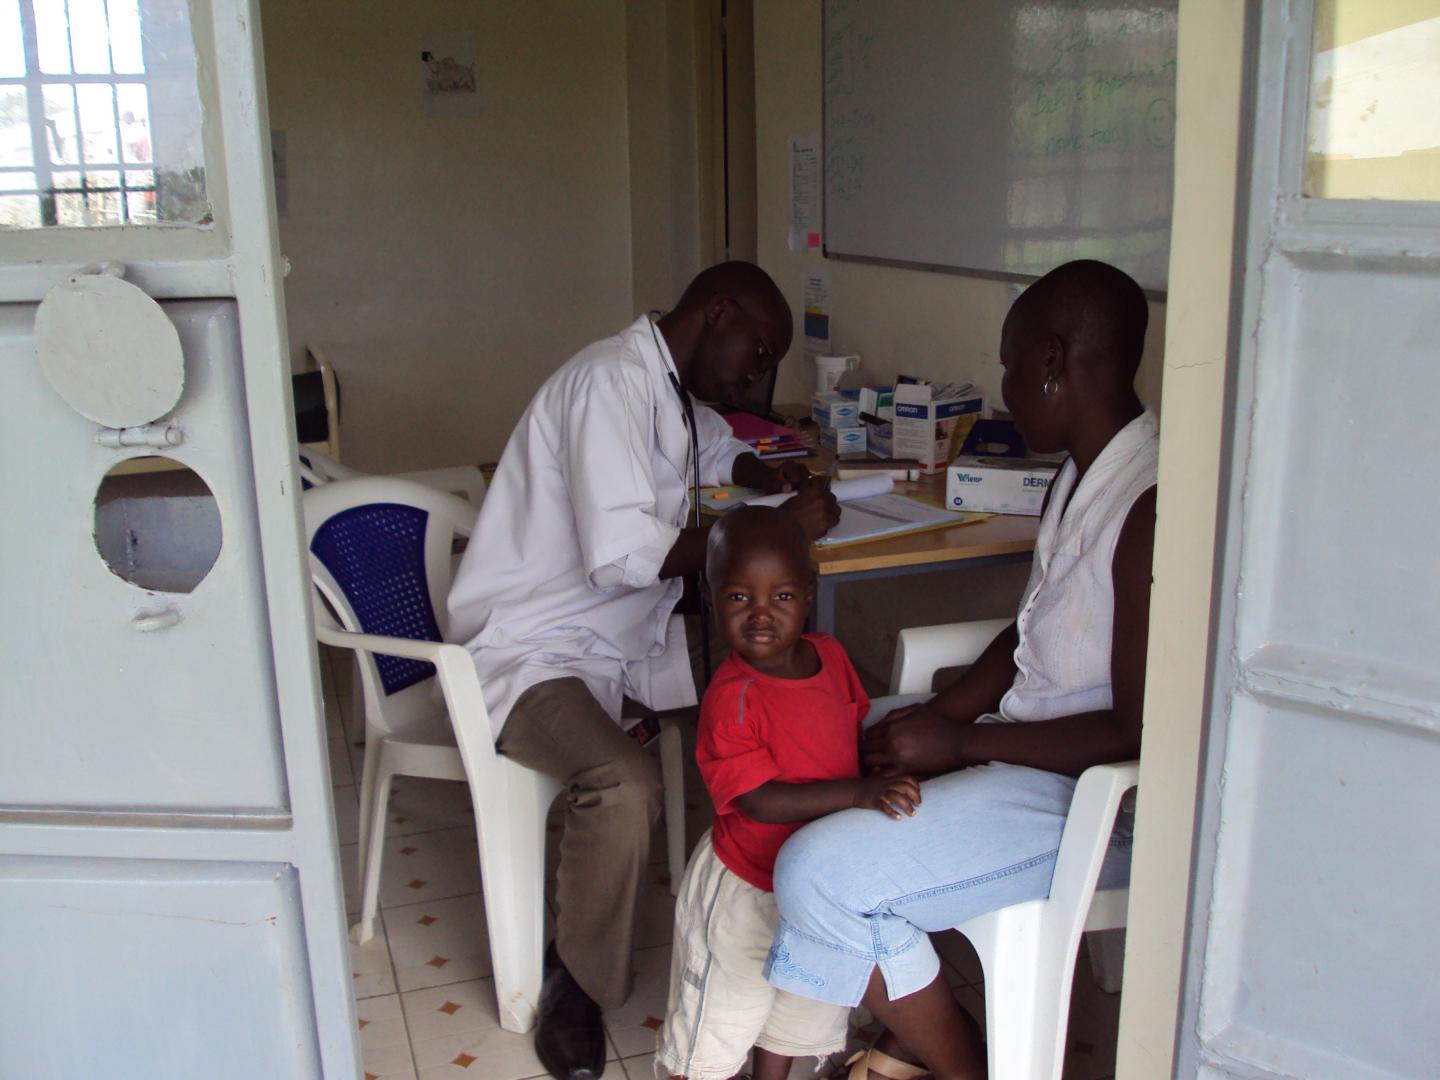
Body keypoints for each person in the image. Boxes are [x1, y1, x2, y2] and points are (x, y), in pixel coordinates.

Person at [763, 259, 1159, 1080]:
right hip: (1027, 751)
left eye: (1012, 363)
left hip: (1096, 804)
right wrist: (938, 725)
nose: (1007, 386)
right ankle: (911, 1024)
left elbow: (1135, 732)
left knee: (813, 875)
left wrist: (965, 746)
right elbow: (1026, 636)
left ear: (1052, 359)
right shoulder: (1083, 473)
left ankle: (954, 1058)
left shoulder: (1149, 505)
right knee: (819, 740)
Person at [446, 262, 841, 1080]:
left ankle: (793, 925)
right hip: (533, 648)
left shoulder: (664, 387)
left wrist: (760, 473)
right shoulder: (606, 384)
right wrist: (774, 524)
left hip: (606, 642)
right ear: (717, 311)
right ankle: (575, 984)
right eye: (758, 352)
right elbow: (630, 556)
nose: (757, 375)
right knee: (623, 783)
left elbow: (712, 439)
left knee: (780, 708)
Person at [657, 506, 921, 1080]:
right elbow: (759, 800)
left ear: (808, 592)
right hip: (746, 888)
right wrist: (859, 793)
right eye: (737, 598)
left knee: (799, 1007)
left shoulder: (830, 656)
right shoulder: (733, 698)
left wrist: (885, 760)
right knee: (719, 1021)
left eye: (781, 598)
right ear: (708, 595)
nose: (760, 616)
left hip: (819, 886)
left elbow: (847, 730)